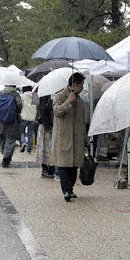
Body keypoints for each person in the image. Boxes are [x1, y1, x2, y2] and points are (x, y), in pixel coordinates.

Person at [51, 73, 86, 201]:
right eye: (81, 84)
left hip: (77, 139)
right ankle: (66, 190)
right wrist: (68, 102)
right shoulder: (60, 96)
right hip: (64, 138)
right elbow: (57, 111)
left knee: (74, 167)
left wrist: (85, 138)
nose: (83, 87)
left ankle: (70, 189)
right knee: (64, 166)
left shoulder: (80, 100)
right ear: (75, 85)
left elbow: (82, 120)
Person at [0, 84, 23, 167]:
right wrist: (18, 112)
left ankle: (5, 153)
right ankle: (6, 158)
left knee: (2, 138)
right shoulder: (15, 93)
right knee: (10, 140)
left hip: (0, 120)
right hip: (12, 120)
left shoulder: (0, 93)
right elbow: (19, 104)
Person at [35, 93, 55, 178]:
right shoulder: (46, 97)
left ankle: (48, 168)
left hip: (45, 125)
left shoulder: (39, 95)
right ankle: (47, 169)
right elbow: (44, 110)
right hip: (47, 125)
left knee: (45, 148)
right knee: (47, 148)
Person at [19, 86, 36, 154]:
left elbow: (20, 105)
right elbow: (37, 106)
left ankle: (23, 142)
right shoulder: (35, 96)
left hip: (24, 117)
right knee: (30, 133)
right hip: (32, 117)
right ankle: (29, 149)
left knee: (21, 131)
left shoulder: (23, 96)